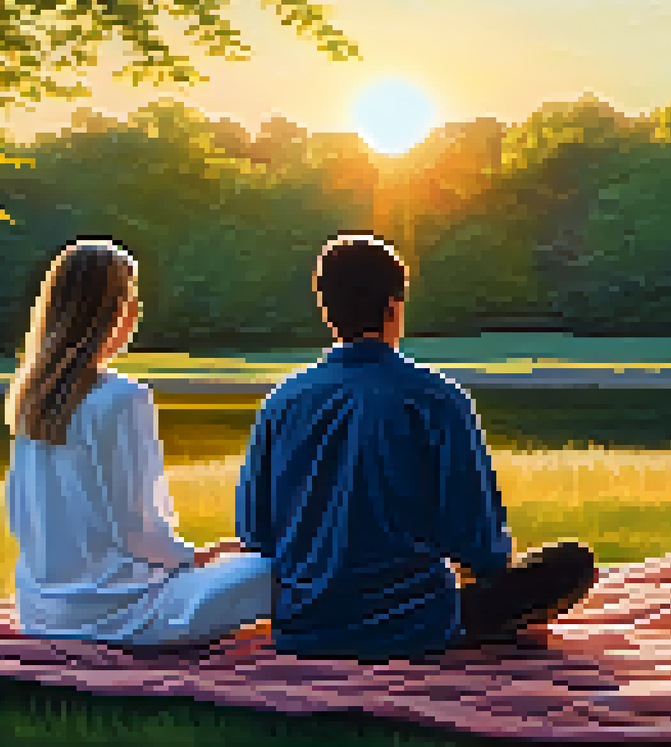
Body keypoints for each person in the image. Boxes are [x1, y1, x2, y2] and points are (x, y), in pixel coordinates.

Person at [236, 232, 597, 661]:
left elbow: (256, 534)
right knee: (572, 564)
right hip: (418, 625)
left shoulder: (281, 401)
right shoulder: (437, 397)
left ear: (326, 310)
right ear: (394, 307)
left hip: (306, 626)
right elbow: (479, 544)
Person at [5, 237, 272, 646]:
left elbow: (19, 516)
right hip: (123, 613)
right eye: (130, 299)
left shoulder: (29, 399)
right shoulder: (122, 398)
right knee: (270, 568)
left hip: (40, 613)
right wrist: (194, 558)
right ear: (112, 311)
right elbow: (138, 530)